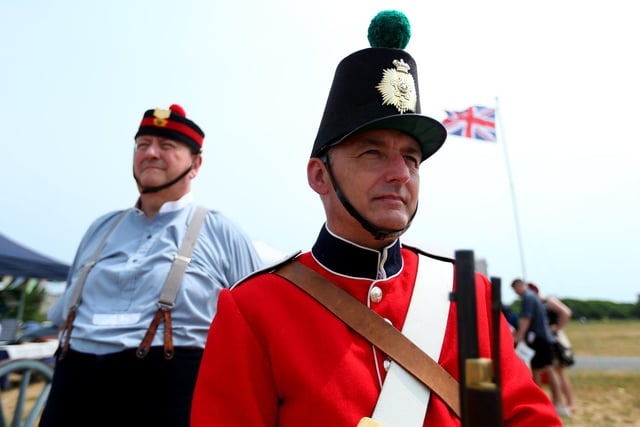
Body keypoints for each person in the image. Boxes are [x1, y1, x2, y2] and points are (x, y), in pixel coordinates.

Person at [191, 11, 561, 427]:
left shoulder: (465, 293)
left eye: (411, 158)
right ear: (319, 176)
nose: (400, 173)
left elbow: (522, 416)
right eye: (373, 153)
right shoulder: (254, 309)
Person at [39, 104, 263, 427]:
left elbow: (257, 327)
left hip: (168, 396)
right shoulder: (101, 229)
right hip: (73, 393)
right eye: (142, 145)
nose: (151, 153)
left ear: (196, 164)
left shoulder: (222, 232)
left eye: (167, 146)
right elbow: (62, 317)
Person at [511, 279, 568, 418]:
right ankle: (550, 402)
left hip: (539, 339)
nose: (515, 293)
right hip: (542, 338)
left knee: (545, 369)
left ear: (519, 286)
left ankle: (553, 403)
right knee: (539, 369)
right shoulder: (532, 296)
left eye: (515, 289)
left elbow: (526, 319)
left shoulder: (528, 297)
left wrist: (518, 336)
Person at [528, 283, 576, 413]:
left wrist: (556, 328)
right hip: (551, 339)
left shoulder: (549, 301)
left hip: (556, 340)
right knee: (556, 372)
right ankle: (565, 403)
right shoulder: (541, 303)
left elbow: (566, 313)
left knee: (558, 371)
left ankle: (568, 403)